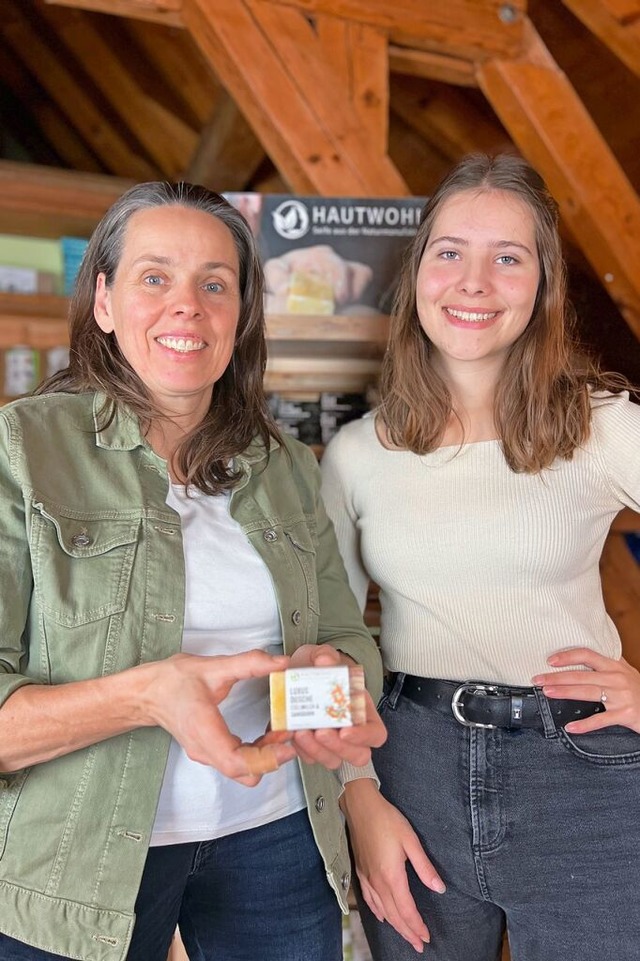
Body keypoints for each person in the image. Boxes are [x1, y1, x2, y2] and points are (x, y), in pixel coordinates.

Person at [0, 181, 386, 961]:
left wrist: (335, 679)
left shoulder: (281, 462)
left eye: (215, 283)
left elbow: (348, 635)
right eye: (154, 277)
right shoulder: (23, 449)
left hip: (278, 839)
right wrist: (145, 693)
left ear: (241, 314)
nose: (188, 305)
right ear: (103, 301)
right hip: (78, 863)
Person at [320, 152, 640, 961]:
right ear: (418, 272)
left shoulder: (603, 426)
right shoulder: (357, 454)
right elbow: (324, 641)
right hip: (409, 776)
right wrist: (358, 800)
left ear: (543, 284)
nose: (474, 281)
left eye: (508, 258)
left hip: (583, 776)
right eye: (450, 252)